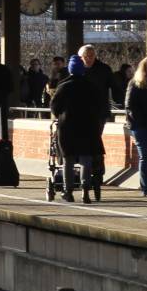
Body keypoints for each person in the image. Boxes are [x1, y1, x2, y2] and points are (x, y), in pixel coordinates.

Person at [51, 55, 107, 202]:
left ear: (70, 69)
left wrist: (62, 115)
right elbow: (100, 105)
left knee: (68, 159)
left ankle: (68, 191)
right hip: (88, 127)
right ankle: (85, 190)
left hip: (68, 127)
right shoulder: (91, 86)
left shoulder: (64, 86)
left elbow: (55, 107)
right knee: (86, 158)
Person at [124, 56, 147, 199]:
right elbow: (130, 106)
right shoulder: (136, 84)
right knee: (146, 157)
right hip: (142, 127)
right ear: (144, 69)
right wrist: (141, 122)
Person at [76, 44, 113, 112]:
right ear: (80, 57)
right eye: (86, 56)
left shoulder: (104, 69)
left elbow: (114, 86)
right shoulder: (76, 70)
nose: (89, 58)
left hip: (100, 108)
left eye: (92, 55)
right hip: (81, 108)